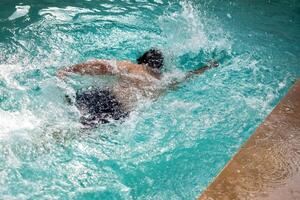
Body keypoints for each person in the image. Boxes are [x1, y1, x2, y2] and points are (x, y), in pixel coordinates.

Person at [57, 48, 218, 127]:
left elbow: (100, 66)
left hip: (106, 97)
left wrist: (70, 69)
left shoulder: (132, 67)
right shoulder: (163, 81)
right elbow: (188, 76)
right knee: (83, 129)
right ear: (160, 67)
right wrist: (207, 67)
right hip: (121, 113)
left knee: (68, 105)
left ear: (142, 60)